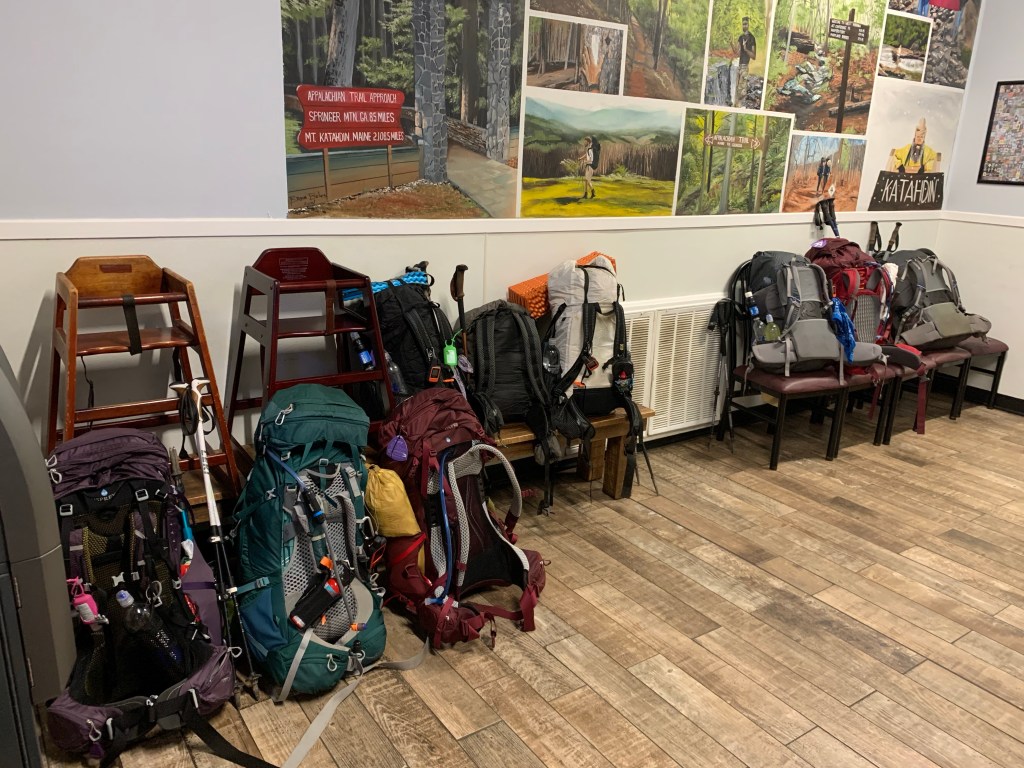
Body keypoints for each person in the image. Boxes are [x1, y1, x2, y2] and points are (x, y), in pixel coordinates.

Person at [734, 16, 757, 107]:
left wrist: (746, 49)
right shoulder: (740, 37)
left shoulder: (752, 38)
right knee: (736, 89)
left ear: (748, 25)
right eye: (743, 24)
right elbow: (737, 53)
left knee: (742, 90)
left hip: (744, 66)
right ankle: (736, 106)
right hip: (737, 66)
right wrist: (732, 45)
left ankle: (741, 106)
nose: (744, 26)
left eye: (746, 24)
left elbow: (754, 56)